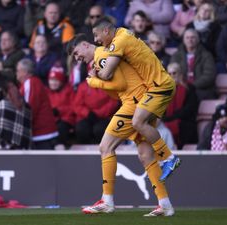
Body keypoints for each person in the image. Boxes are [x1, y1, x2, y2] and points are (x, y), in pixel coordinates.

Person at [68, 33, 175, 216]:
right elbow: (116, 89)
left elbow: (120, 83)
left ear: (86, 44)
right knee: (145, 155)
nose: (78, 59)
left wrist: (95, 82)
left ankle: (107, 200)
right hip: (140, 100)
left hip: (133, 103)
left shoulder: (101, 56)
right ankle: (165, 204)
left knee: (105, 147)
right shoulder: (102, 58)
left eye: (77, 53)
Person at [92, 18, 181, 182]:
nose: (96, 41)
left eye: (96, 35)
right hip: (154, 87)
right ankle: (164, 200)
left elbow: (107, 74)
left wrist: (93, 76)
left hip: (160, 85)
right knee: (141, 133)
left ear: (106, 31)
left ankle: (168, 158)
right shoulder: (124, 33)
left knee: (137, 122)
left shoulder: (119, 41)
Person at [16, 58, 58, 149]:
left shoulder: (30, 83)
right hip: (42, 132)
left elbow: (29, 109)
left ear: (25, 72)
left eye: (18, 70)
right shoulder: (31, 83)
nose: (17, 73)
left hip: (42, 133)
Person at [170, 28, 216, 101]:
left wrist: (191, 86)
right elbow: (172, 74)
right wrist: (183, 85)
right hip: (181, 88)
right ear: (183, 40)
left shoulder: (206, 55)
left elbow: (209, 76)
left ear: (198, 39)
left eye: (192, 37)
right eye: (187, 38)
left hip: (201, 89)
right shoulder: (176, 56)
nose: (190, 40)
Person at [0, 80, 32, 150]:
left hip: (2, 149)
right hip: (21, 150)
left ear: (4, 92)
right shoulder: (27, 107)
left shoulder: (2, 105)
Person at [163, 62, 198, 149]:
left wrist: (171, 118)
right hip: (168, 121)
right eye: (169, 73)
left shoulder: (189, 88)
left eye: (174, 73)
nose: (172, 76)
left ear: (180, 73)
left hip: (185, 122)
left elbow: (189, 109)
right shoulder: (164, 91)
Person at [46, 65, 76, 148]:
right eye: (51, 80)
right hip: (51, 120)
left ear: (61, 81)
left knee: (61, 128)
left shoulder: (68, 91)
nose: (53, 83)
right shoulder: (46, 92)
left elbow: (73, 107)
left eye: (56, 80)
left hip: (66, 119)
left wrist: (59, 111)